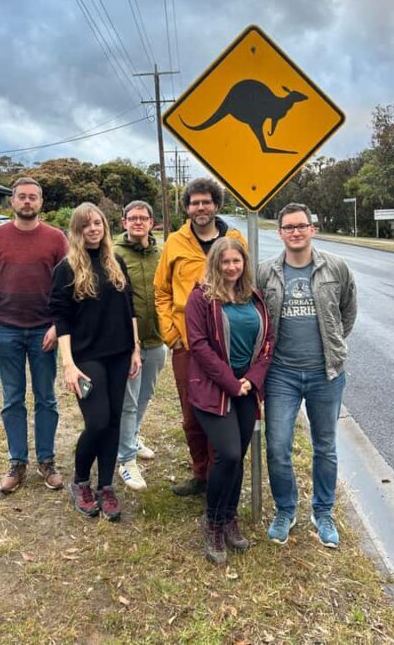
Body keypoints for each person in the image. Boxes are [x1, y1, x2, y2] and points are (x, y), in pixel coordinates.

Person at [257, 203, 357, 549]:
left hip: (325, 374)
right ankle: (286, 510)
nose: (295, 232)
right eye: (288, 227)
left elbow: (347, 312)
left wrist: (333, 348)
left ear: (313, 228)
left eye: (301, 226)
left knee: (325, 447)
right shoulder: (265, 272)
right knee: (278, 447)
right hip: (280, 374)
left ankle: (323, 511)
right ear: (280, 232)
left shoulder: (337, 268)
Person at [0, 177, 68, 494]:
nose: (28, 202)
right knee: (12, 399)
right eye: (22, 197)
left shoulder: (56, 239)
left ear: (41, 203)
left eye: (33, 197)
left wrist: (59, 326)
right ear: (12, 202)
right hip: (7, 330)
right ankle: (17, 463)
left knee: (47, 399)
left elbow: (66, 289)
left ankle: (47, 460)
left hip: (45, 331)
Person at [154, 177, 246, 496]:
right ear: (187, 208)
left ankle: (222, 474)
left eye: (206, 201)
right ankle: (202, 475)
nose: (200, 207)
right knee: (193, 417)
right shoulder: (175, 243)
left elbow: (247, 285)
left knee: (225, 413)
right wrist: (171, 334)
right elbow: (161, 291)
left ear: (216, 205)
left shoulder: (234, 240)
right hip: (188, 347)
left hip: (229, 348)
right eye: (194, 203)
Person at [50, 202, 141, 522]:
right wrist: (68, 364)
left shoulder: (115, 261)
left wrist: (135, 349)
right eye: (85, 225)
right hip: (87, 357)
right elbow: (60, 318)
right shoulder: (67, 267)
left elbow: (129, 307)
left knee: (115, 420)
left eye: (97, 223)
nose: (93, 229)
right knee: (98, 421)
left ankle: (106, 486)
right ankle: (81, 482)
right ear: (76, 230)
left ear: (104, 226)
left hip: (120, 352)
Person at [186, 238, 274, 565]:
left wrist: (252, 379)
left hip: (247, 388)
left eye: (237, 261)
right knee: (228, 453)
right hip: (212, 388)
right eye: (225, 262)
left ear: (244, 264)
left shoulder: (254, 297)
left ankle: (229, 518)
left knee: (240, 457)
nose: (231, 267)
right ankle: (212, 522)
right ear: (215, 264)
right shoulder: (201, 298)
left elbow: (268, 342)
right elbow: (198, 346)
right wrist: (230, 383)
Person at [113, 200, 166, 491]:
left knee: (145, 395)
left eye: (142, 218)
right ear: (124, 222)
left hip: (156, 339)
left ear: (151, 222)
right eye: (132, 218)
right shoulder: (113, 253)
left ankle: (131, 437)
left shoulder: (161, 253)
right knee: (128, 402)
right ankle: (126, 459)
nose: (137, 222)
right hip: (126, 344)